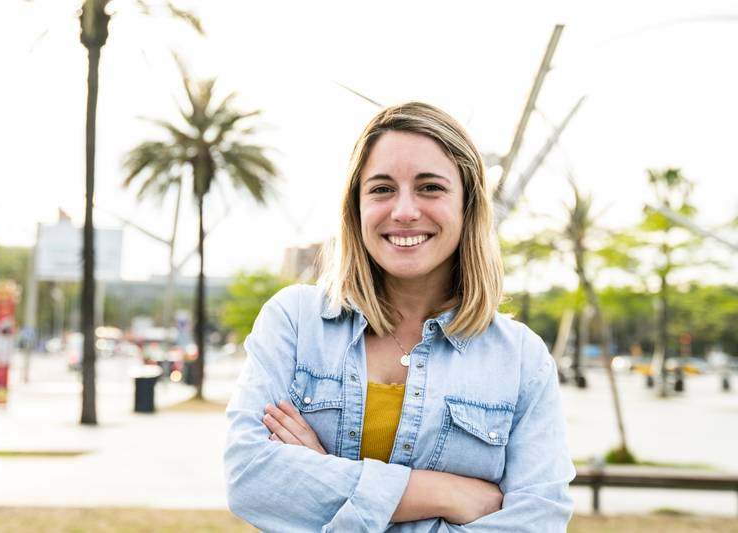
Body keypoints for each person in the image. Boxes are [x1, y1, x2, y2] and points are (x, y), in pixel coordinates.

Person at [224, 102, 575, 532]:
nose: (405, 210)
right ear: (355, 206)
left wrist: (322, 474)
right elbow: (250, 479)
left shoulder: (522, 359)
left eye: (430, 187)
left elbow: (537, 522)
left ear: (468, 205)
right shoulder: (294, 323)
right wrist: (445, 494)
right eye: (382, 189)